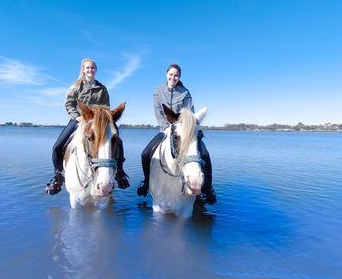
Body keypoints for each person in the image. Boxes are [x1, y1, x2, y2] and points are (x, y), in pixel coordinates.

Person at [46, 58, 130, 195]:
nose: (90, 70)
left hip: (97, 122)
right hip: (79, 120)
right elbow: (69, 104)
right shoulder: (76, 87)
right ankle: (58, 177)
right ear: (83, 70)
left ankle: (119, 172)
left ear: (96, 70)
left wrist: (102, 118)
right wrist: (78, 117)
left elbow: (106, 107)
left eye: (92, 68)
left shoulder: (102, 89)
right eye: (87, 68)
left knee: (117, 142)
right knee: (57, 147)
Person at [137, 64, 217, 204]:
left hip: (184, 131)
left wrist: (186, 128)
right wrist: (166, 128)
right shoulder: (158, 92)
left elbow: (191, 114)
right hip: (166, 130)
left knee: (205, 154)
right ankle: (146, 181)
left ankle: (208, 188)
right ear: (166, 74)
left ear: (179, 77)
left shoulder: (185, 93)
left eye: (176, 75)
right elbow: (158, 113)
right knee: (145, 154)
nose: (173, 77)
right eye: (171, 74)